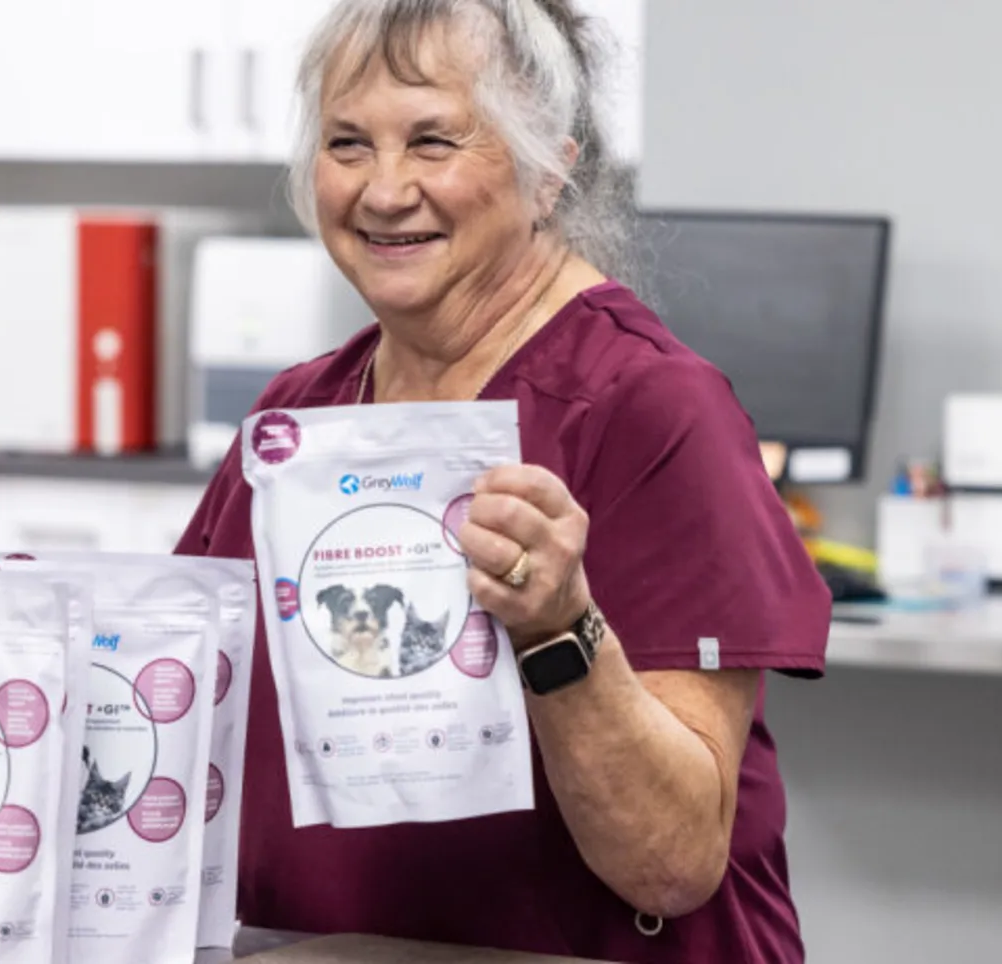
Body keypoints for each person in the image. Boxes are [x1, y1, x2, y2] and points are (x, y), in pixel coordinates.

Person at [171, 1, 832, 961]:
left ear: (548, 168)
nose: (385, 190)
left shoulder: (648, 409)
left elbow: (674, 859)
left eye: (433, 140)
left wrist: (559, 628)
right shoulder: (295, 420)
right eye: (347, 143)